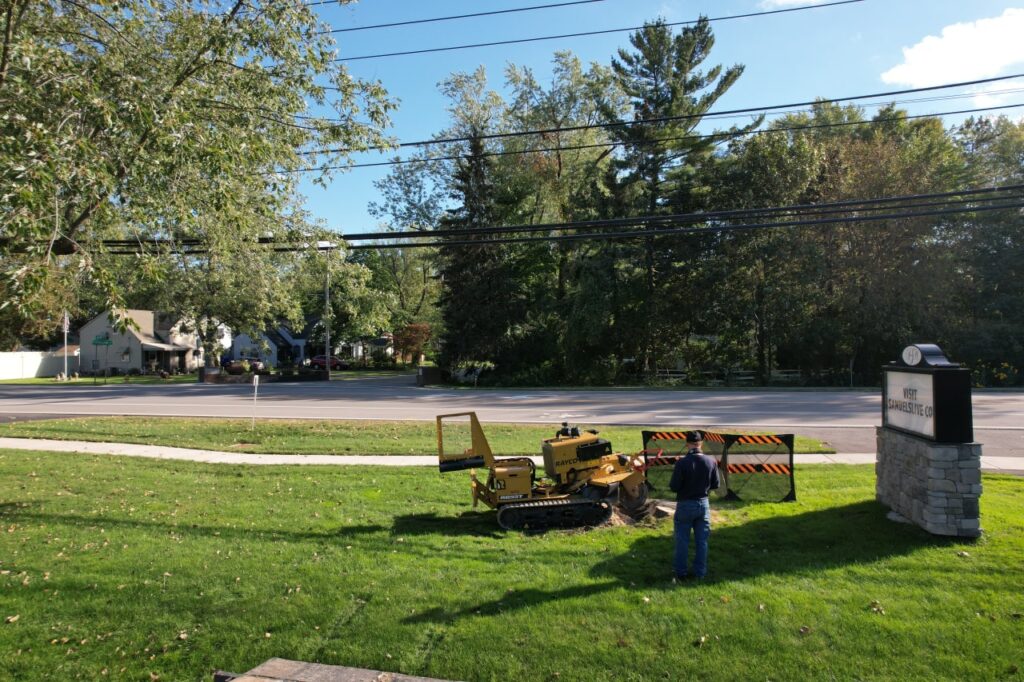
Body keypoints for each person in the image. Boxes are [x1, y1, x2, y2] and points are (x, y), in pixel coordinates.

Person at [669, 430, 720, 580]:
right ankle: (700, 573)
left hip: (685, 504)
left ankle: (681, 573)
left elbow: (674, 486)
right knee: (702, 541)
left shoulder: (682, 463)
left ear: (687, 444)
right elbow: (715, 485)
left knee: (682, 540)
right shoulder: (711, 461)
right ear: (701, 444)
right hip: (703, 504)